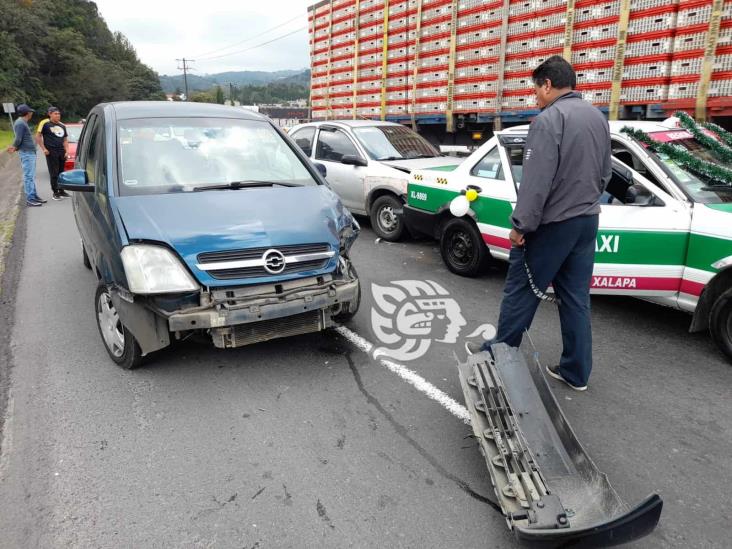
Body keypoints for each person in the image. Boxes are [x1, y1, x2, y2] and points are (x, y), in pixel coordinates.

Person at [466, 56, 612, 392]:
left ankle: (497, 357)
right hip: (586, 221)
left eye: (536, 89)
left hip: (552, 226)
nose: (536, 97)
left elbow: (536, 183)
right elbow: (605, 173)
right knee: (576, 298)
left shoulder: (549, 120)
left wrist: (520, 226)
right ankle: (576, 372)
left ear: (547, 84)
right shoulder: (597, 117)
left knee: (521, 291)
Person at [6, 104, 46, 207]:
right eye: (30, 111)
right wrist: (14, 147)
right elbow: (18, 138)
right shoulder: (20, 123)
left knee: (31, 176)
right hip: (27, 153)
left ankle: (33, 195)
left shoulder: (22, 122)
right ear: (27, 113)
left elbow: (20, 138)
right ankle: (30, 199)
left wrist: (15, 147)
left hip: (29, 152)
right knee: (29, 176)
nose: (31, 113)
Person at [36, 106, 70, 200]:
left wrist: (67, 151)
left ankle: (62, 190)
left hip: (61, 151)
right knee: (54, 173)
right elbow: (38, 136)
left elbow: (65, 140)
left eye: (59, 114)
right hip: (51, 151)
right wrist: (44, 149)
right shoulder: (45, 123)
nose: (58, 115)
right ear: (50, 114)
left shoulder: (62, 125)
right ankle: (55, 192)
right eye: (55, 114)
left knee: (61, 172)